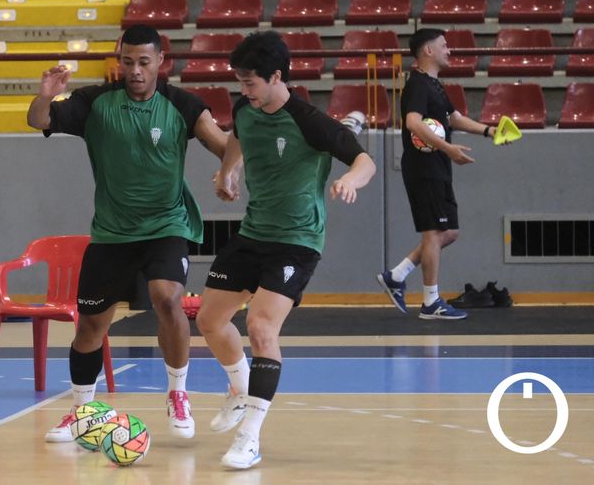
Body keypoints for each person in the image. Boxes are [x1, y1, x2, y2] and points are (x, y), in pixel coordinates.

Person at [26, 24, 228, 442]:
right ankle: (83, 411)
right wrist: (46, 94)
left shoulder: (181, 105)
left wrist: (233, 166)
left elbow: (222, 143)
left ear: (160, 63)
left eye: (143, 62)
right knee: (90, 328)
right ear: (119, 63)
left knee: (166, 297)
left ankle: (177, 394)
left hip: (167, 225)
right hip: (112, 234)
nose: (135, 70)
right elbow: (37, 120)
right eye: (127, 62)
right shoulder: (94, 102)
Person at [195, 31, 376, 469]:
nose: (243, 89)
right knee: (208, 320)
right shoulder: (246, 108)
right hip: (253, 233)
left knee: (260, 328)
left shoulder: (310, 122)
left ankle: (250, 437)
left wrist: (349, 181)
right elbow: (238, 135)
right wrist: (228, 173)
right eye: (239, 81)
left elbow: (363, 161)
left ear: (277, 76)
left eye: (250, 81)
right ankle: (239, 389)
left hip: (296, 242)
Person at [376, 28, 504, 320]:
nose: (450, 50)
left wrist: (488, 130)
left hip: (437, 167)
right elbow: (412, 122)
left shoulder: (434, 84)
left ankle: (397, 275)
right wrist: (448, 148)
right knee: (434, 232)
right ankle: (430, 302)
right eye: (444, 46)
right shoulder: (418, 85)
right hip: (424, 168)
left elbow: (454, 118)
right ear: (428, 51)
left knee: (449, 232)